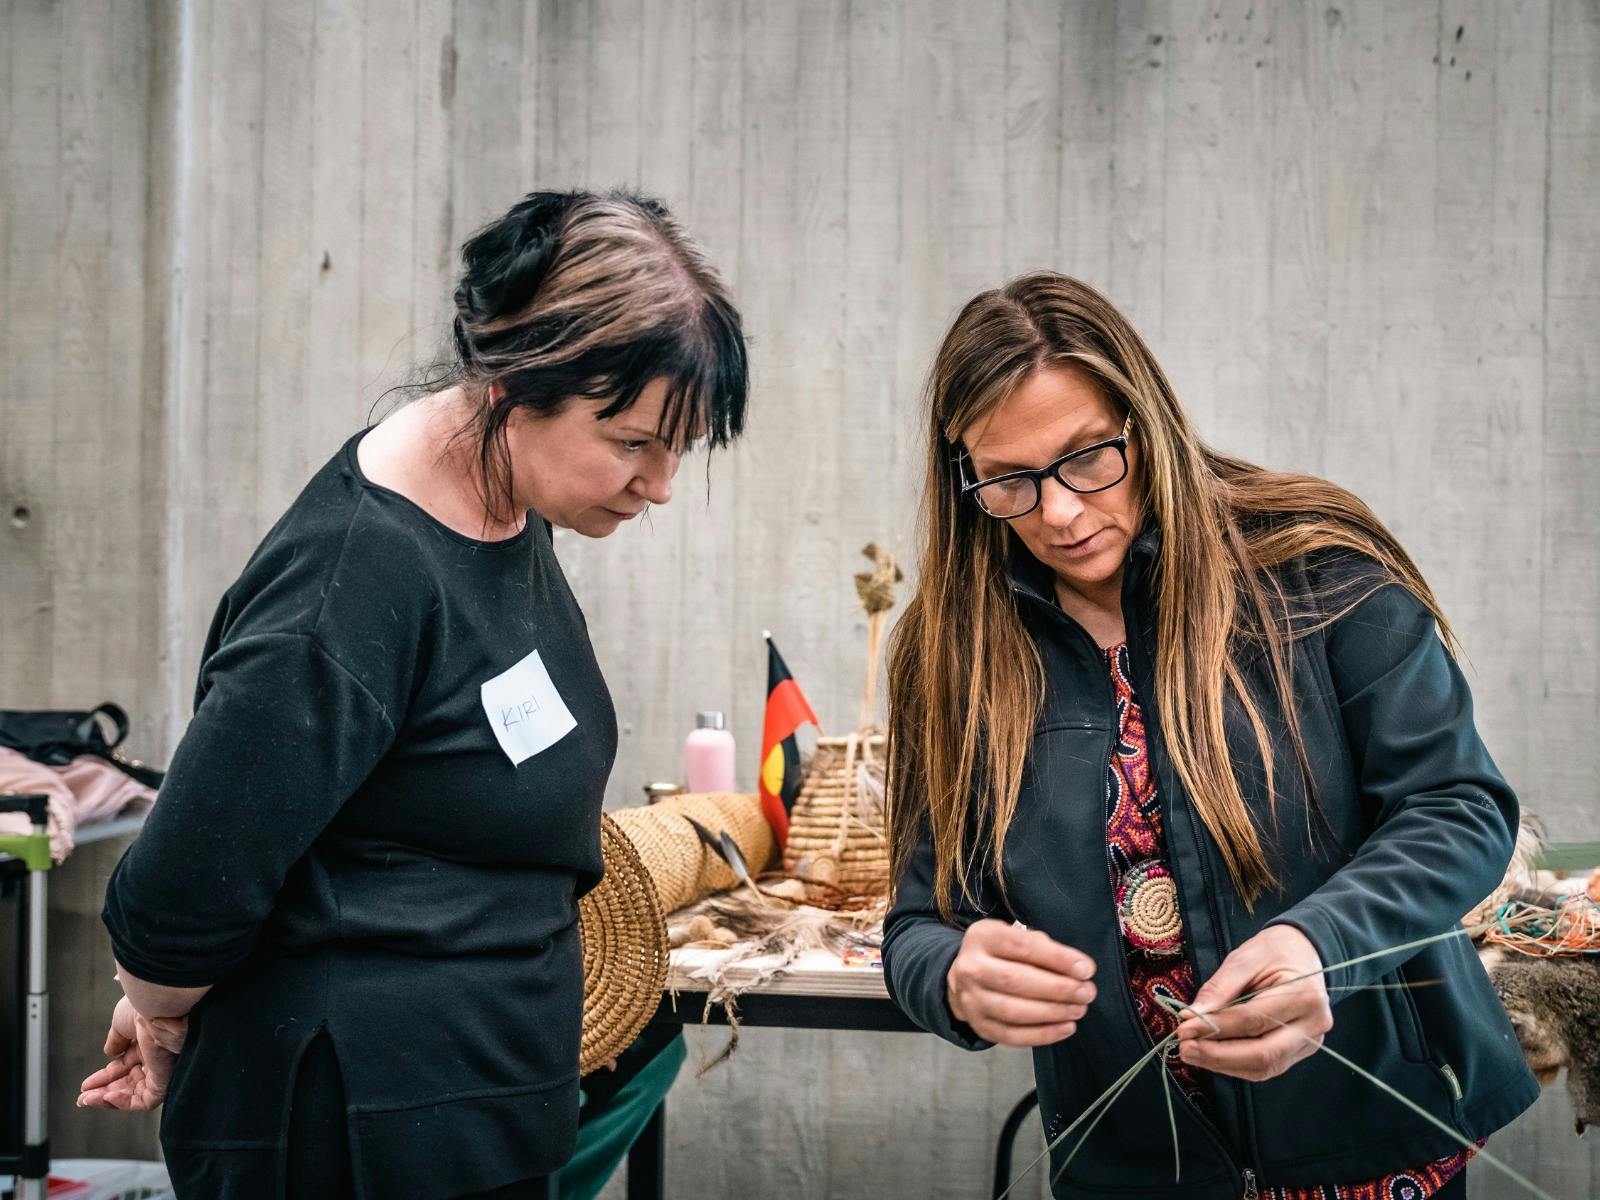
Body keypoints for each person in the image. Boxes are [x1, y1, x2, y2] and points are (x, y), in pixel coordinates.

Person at [77, 189, 748, 1200]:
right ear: (516, 388)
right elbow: (183, 885)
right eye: (630, 442)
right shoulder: (352, 585)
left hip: (472, 1110)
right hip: (354, 1134)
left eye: (677, 449)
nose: (657, 484)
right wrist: (162, 1001)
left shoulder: (505, 507)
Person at [881, 272, 1537, 1198]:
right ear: (965, 475)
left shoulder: (1314, 564)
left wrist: (1321, 945)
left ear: (1142, 421)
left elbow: (1458, 806)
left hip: (1370, 1144)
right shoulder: (948, 651)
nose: (1060, 511)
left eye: (1086, 458)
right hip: (1135, 1173)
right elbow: (917, 921)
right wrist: (951, 973)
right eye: (1010, 481)